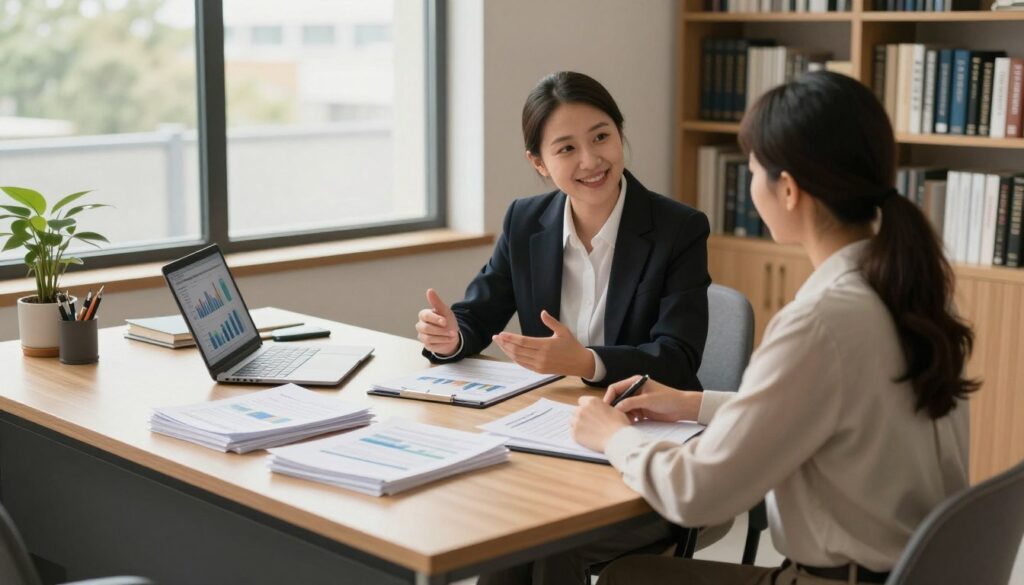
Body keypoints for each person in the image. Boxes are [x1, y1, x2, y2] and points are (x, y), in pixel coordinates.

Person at [572, 71, 977, 585]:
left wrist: (611, 438)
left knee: (629, 577)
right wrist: (691, 404)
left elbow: (696, 493)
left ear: (787, 190)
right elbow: (826, 406)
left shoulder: (821, 322)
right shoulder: (909, 288)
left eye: (753, 169)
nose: (750, 183)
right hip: (920, 570)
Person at [415, 71, 711, 390]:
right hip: (551, 411)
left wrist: (587, 362)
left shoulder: (679, 228)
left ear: (619, 132)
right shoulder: (524, 221)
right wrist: (450, 338)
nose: (590, 160)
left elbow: (677, 358)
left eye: (601, 137)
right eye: (567, 149)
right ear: (539, 163)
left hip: (646, 414)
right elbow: (479, 316)